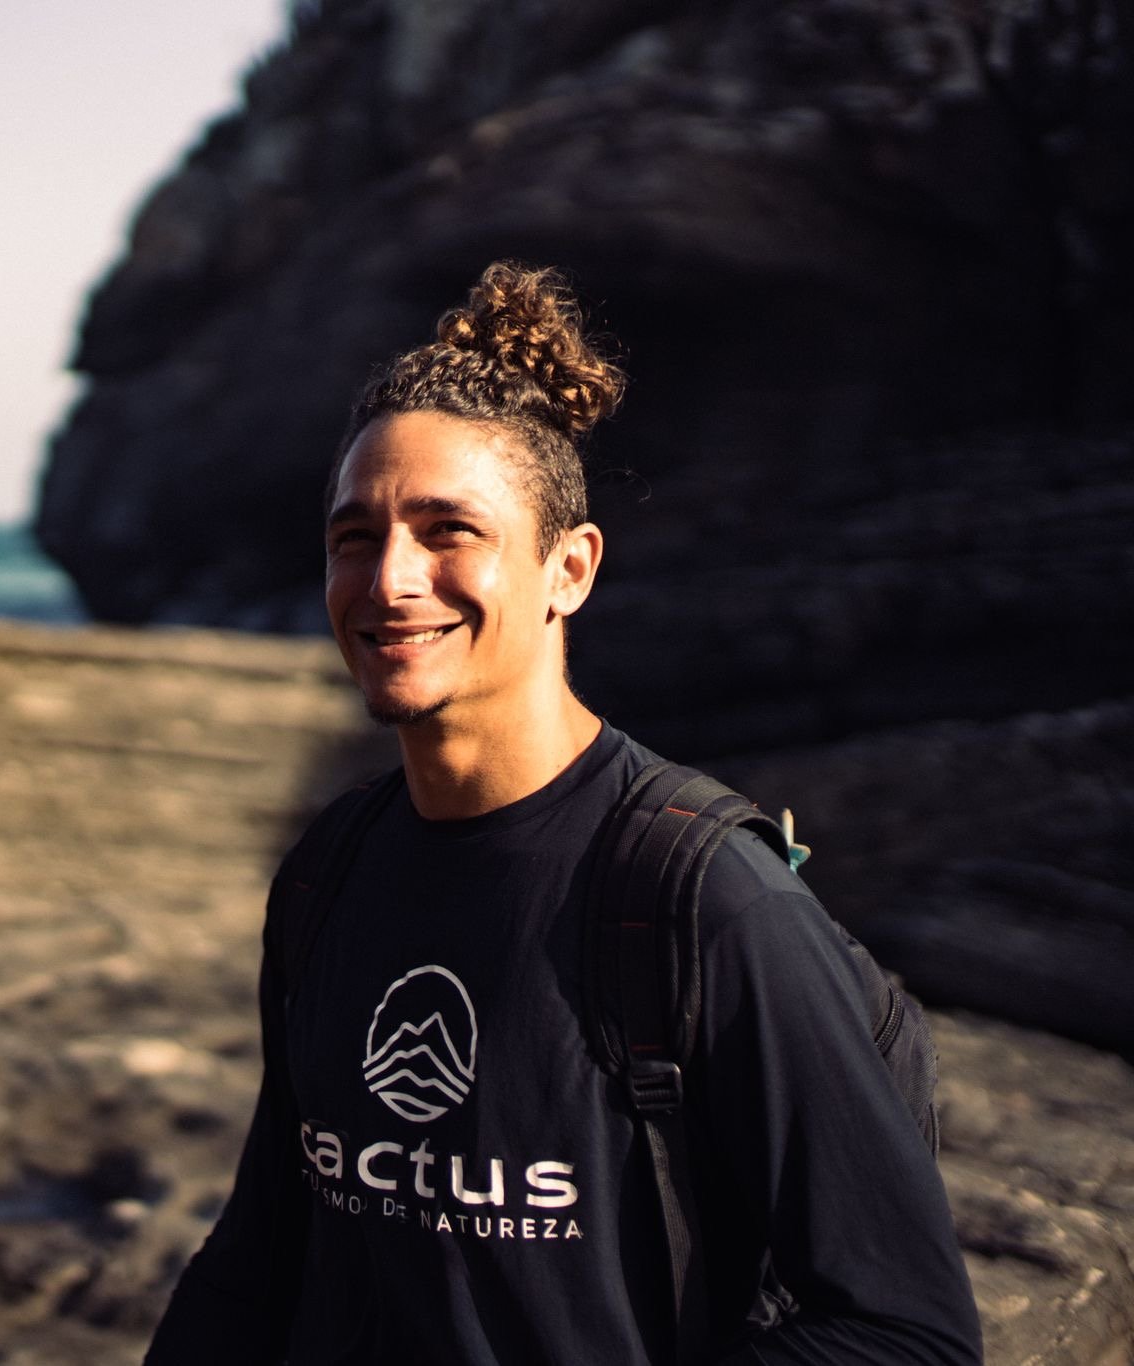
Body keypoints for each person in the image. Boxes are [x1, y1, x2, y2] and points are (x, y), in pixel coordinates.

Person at [144, 262, 982, 1363]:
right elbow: (260, 1255)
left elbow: (904, 1332)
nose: (390, 576)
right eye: (355, 536)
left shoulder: (702, 902)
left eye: (448, 530)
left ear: (567, 569)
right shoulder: (327, 873)